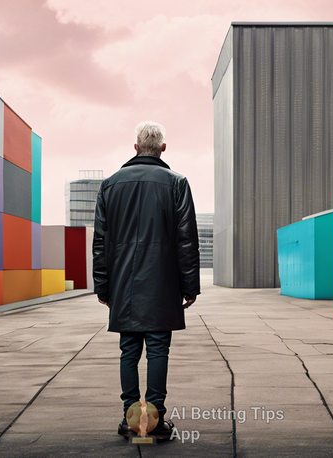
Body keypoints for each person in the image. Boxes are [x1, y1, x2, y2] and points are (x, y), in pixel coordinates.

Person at [92, 121, 200, 441]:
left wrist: (103, 285)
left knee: (128, 350)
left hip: (123, 284)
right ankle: (155, 420)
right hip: (162, 283)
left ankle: (131, 419)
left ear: (135, 148)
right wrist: (190, 285)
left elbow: (101, 241)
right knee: (157, 350)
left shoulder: (110, 185)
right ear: (163, 149)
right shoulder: (177, 183)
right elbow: (186, 241)